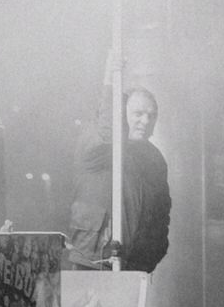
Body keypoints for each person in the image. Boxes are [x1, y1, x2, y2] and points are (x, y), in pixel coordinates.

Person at [68, 85, 172, 273]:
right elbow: (106, 134)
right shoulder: (100, 147)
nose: (145, 121)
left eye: (151, 115)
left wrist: (152, 254)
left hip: (135, 266)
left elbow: (162, 214)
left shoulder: (155, 160)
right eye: (138, 114)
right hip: (92, 261)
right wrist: (110, 79)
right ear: (122, 114)